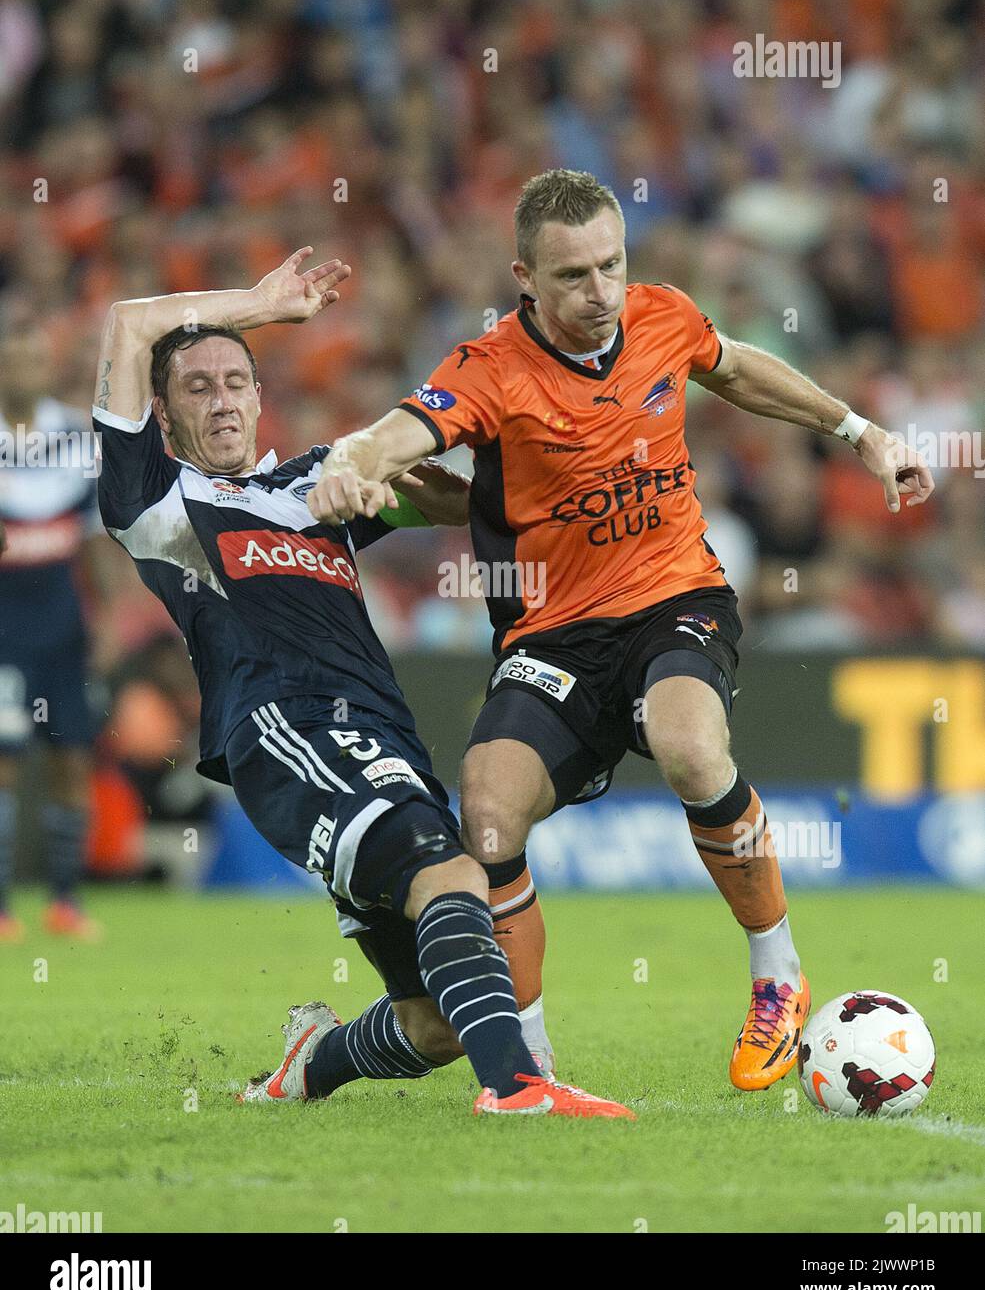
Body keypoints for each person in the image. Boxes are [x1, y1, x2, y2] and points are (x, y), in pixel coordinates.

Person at [305, 169, 935, 1090]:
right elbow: (397, 434)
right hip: (551, 638)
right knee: (486, 804)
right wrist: (349, 464)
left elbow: (737, 368)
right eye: (571, 276)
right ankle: (528, 1064)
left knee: (687, 745)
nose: (599, 293)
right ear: (525, 276)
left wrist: (859, 431)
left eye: (611, 265)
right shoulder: (489, 371)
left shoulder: (662, 316)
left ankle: (776, 976)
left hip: (674, 596)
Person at [91, 246, 633, 1119]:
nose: (223, 399)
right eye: (197, 387)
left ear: (262, 397)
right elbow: (127, 321)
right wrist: (262, 306)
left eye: (237, 380)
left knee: (434, 1023)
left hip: (383, 735)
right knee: (451, 875)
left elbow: (464, 508)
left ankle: (315, 1062)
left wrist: (398, 483)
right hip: (285, 729)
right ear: (161, 411)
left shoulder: (311, 484)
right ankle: (518, 1086)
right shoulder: (156, 500)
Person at [0, 318, 110, 942]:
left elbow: (94, 535)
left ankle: (65, 903)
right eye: (12, 359)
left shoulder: (74, 436)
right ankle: (3, 908)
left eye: (32, 358)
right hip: (4, 626)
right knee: (5, 762)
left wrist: (107, 618)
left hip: (63, 621)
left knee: (72, 755)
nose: (23, 370)